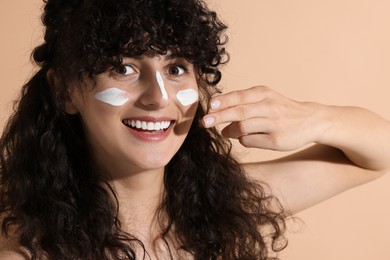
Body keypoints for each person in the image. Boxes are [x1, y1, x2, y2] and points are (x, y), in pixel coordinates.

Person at [0, 0, 389, 259]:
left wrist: (307, 119)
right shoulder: (25, 251)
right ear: (64, 90)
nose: (158, 96)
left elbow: (378, 155)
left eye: (175, 68)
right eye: (123, 68)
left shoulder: (226, 208)